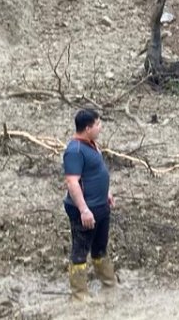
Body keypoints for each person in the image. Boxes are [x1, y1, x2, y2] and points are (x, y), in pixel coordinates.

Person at [64, 109, 117, 301]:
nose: (100, 127)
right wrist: (84, 210)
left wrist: (107, 193)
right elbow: (72, 182)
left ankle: (109, 286)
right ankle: (79, 296)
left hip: (101, 206)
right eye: (98, 124)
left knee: (100, 248)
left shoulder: (92, 145)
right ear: (87, 128)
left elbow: (97, 173)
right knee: (80, 251)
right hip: (86, 210)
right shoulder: (74, 151)